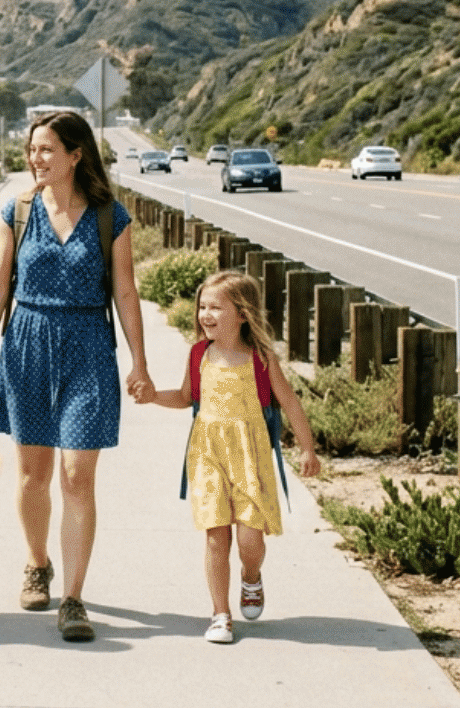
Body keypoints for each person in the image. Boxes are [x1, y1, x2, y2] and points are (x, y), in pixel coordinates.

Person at [0, 110, 153, 643]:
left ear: (76, 155)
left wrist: (139, 361)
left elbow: (125, 292)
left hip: (88, 349)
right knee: (33, 475)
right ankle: (37, 562)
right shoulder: (18, 211)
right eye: (32, 149)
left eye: (47, 149)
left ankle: (73, 598)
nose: (36, 158)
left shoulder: (108, 217)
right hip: (27, 343)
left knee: (77, 476)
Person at [149, 270, 321, 644]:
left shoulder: (260, 359)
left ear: (242, 313)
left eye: (216, 307)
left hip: (250, 455)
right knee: (215, 535)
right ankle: (220, 614)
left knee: (249, 541)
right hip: (208, 453)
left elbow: (289, 402)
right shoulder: (199, 354)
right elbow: (184, 398)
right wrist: (151, 396)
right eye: (202, 307)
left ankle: (251, 576)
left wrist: (307, 447)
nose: (205, 315)